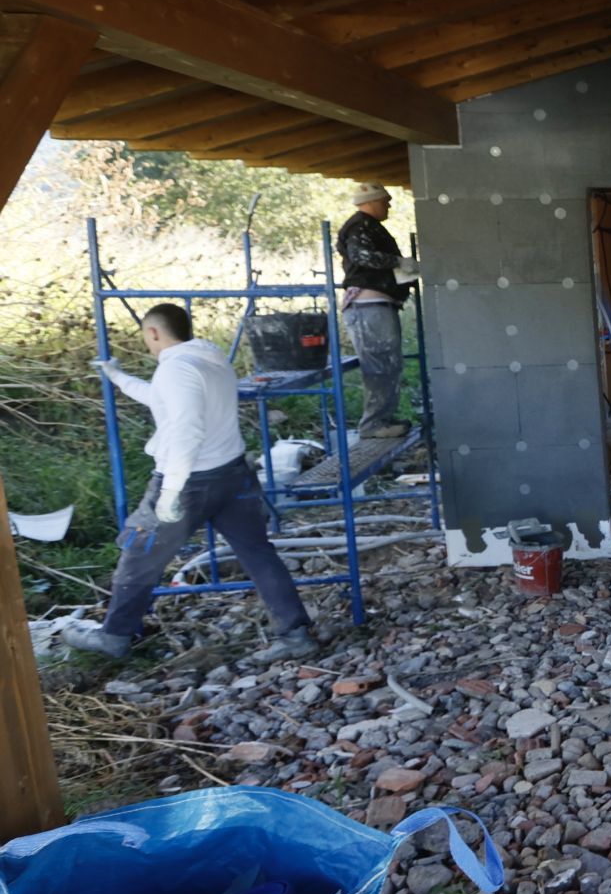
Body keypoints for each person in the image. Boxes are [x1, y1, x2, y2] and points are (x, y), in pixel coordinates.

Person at [69, 303, 319, 663]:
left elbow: (186, 430)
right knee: (257, 553)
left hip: (190, 482)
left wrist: (170, 491)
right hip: (233, 474)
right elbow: (166, 402)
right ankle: (296, 635)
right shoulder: (209, 359)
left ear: (153, 333)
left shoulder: (177, 370)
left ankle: (115, 636)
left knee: (140, 555)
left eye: (146, 338)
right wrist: (118, 377)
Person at [336, 183, 416, 440]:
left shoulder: (368, 226)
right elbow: (362, 257)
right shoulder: (360, 227)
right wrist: (398, 262)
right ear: (371, 201)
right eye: (385, 201)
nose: (388, 206)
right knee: (380, 364)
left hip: (376, 304)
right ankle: (374, 425)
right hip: (368, 306)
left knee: (387, 364)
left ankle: (382, 420)